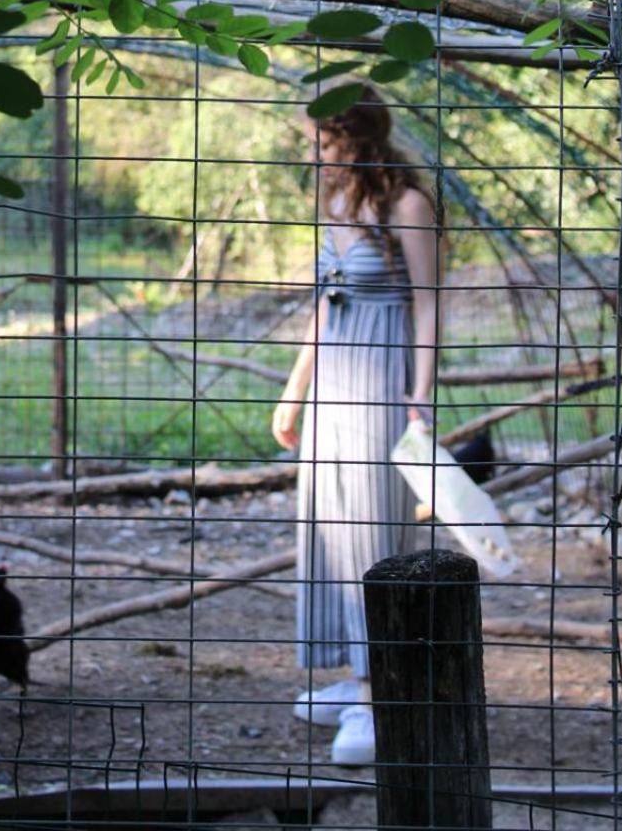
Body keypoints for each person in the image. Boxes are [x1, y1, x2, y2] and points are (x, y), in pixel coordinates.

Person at [272, 87, 442, 766]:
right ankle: (355, 667)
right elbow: (325, 301)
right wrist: (293, 394)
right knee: (329, 525)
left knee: (374, 528)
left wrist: (419, 397)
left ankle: (379, 694)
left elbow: (428, 306)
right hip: (333, 383)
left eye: (322, 142)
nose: (312, 154)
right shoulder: (338, 203)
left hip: (380, 377)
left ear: (354, 138)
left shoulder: (408, 204)